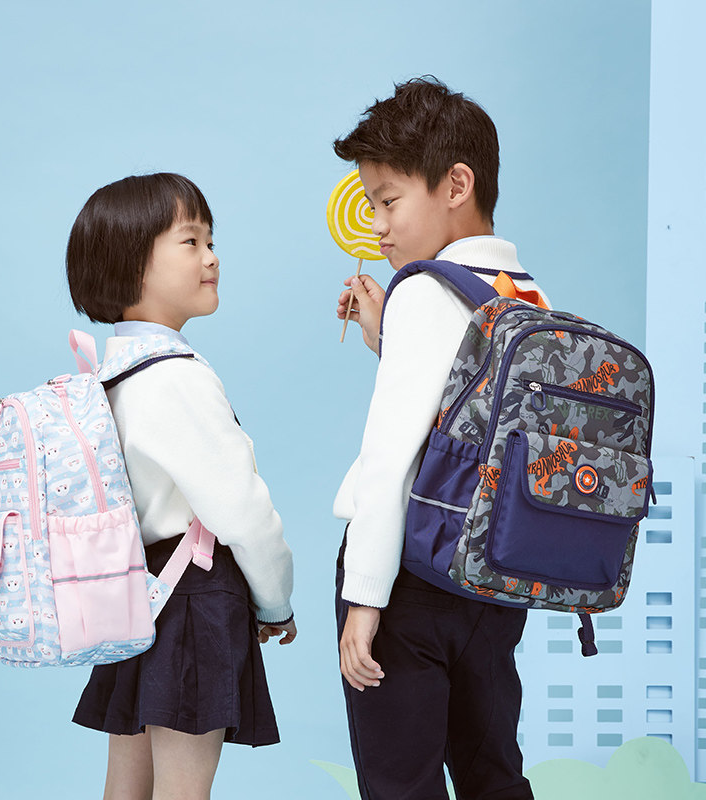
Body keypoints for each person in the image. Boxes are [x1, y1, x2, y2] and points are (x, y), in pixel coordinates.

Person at [332, 77, 547, 800]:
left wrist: (365, 598)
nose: (378, 226)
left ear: (457, 184)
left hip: (410, 579)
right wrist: (385, 338)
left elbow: (393, 454)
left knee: (403, 783)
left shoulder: (422, 290)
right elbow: (466, 411)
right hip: (494, 581)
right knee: (493, 774)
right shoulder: (527, 294)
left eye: (388, 201)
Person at [65, 173, 296, 800]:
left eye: (211, 241)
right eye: (190, 242)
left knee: (125, 786)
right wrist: (276, 599)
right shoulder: (178, 377)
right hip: (192, 599)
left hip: (136, 593)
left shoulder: (109, 375)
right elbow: (242, 510)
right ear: (130, 264)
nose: (212, 257)